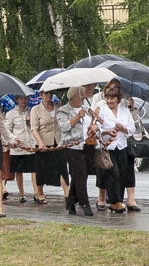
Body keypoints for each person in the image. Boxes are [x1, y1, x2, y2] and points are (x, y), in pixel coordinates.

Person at [94, 83, 135, 213]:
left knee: (122, 174)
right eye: (107, 98)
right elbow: (96, 128)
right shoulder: (102, 111)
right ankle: (113, 201)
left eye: (112, 98)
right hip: (108, 147)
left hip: (122, 146)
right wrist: (107, 131)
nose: (109, 101)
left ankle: (118, 201)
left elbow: (132, 128)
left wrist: (123, 128)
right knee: (113, 173)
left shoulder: (125, 111)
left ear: (118, 99)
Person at [56, 87, 94, 216]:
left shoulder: (87, 109)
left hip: (87, 145)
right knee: (80, 173)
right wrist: (77, 117)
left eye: (84, 94)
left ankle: (71, 202)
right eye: (81, 94)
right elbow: (64, 127)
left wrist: (94, 123)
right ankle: (85, 203)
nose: (84, 97)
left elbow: (94, 123)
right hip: (71, 146)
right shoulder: (63, 110)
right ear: (73, 97)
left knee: (80, 175)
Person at [31, 90, 69, 205]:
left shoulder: (58, 107)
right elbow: (34, 128)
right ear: (41, 95)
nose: (48, 96)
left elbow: (63, 123)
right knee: (41, 169)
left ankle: (67, 193)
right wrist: (40, 142)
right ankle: (39, 193)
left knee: (62, 167)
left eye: (50, 93)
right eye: (46, 93)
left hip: (58, 142)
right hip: (43, 142)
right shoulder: (36, 109)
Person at [4, 94, 36, 204]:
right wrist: (13, 140)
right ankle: (22, 194)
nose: (24, 100)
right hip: (18, 147)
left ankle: (37, 193)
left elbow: (36, 128)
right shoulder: (11, 113)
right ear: (17, 99)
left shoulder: (32, 111)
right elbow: (7, 130)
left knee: (34, 170)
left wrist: (30, 121)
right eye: (21, 98)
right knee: (19, 170)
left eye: (26, 98)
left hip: (31, 145)